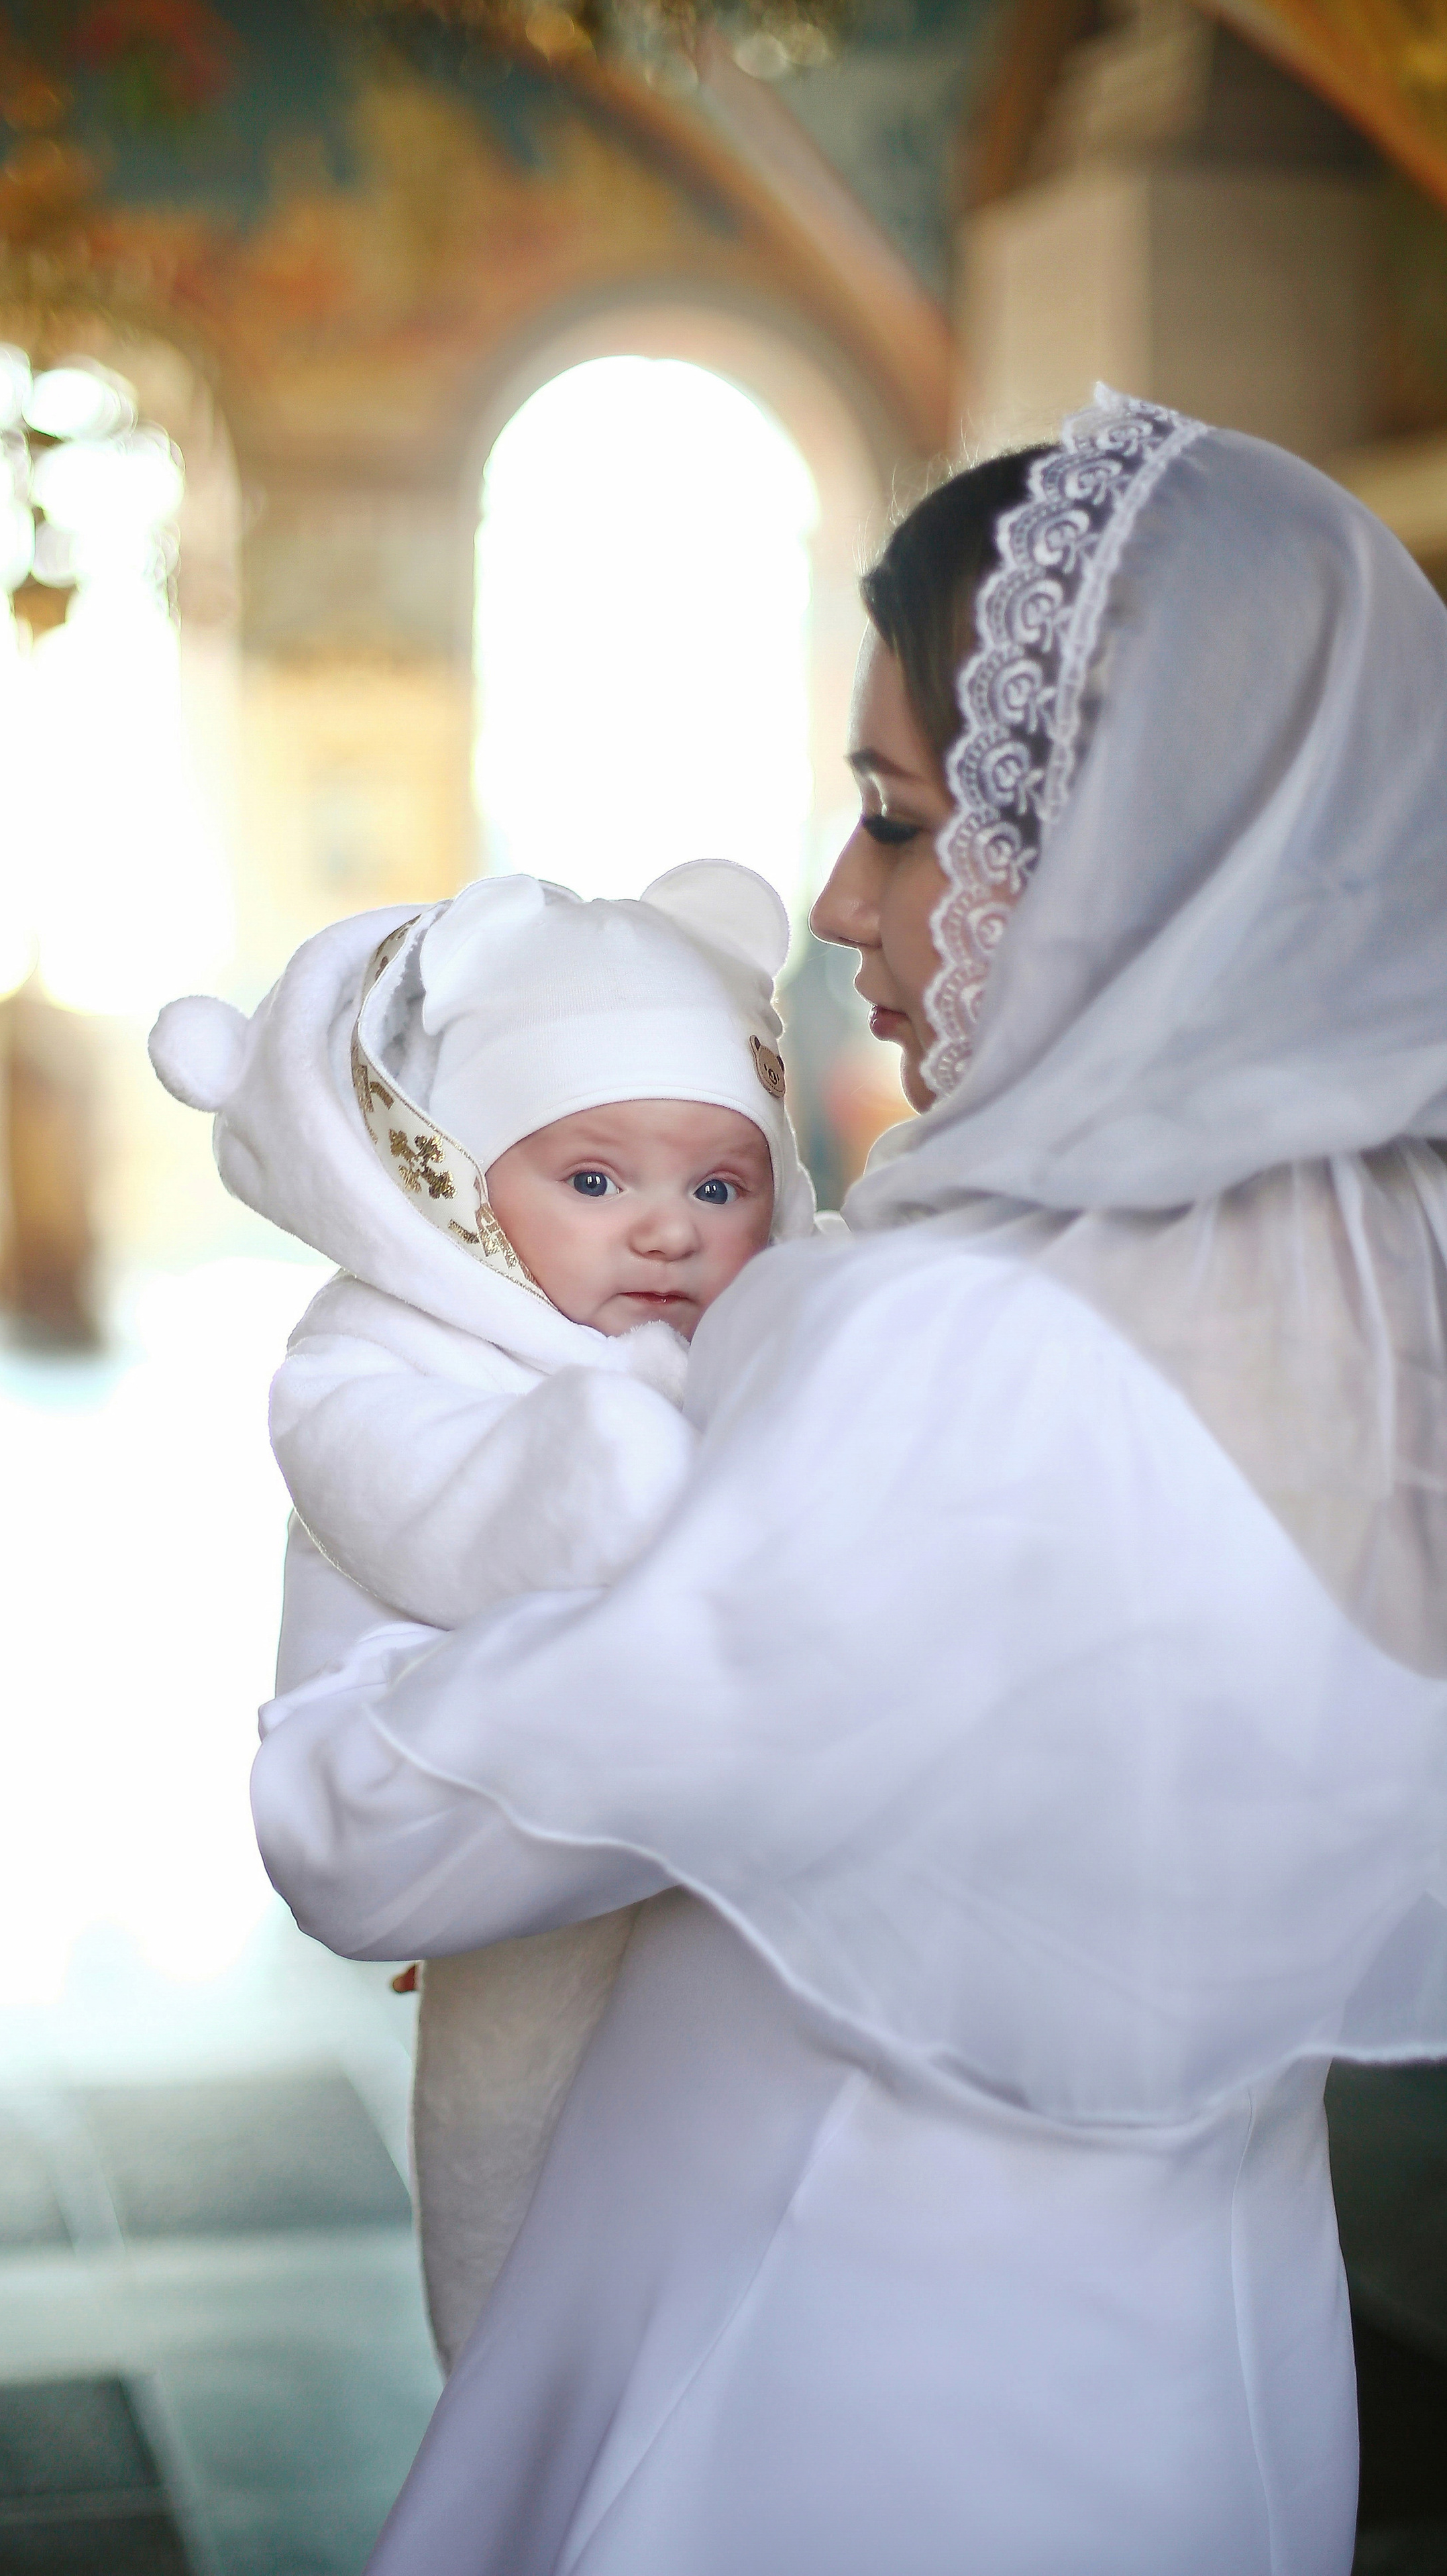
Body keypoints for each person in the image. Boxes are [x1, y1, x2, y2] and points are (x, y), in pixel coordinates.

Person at [249, 390, 1447, 2575]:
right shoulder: (1403, 1308)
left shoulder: (946, 1345)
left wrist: (359, 1665)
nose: (836, 902)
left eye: (903, 819)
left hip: (825, 2370)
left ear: (1123, 847)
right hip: (1208, 2354)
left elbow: (383, 1844)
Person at [148, 861, 814, 2368]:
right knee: (534, 2248)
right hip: (497, 1893)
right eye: (592, 1180)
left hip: (731, 1906)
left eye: (719, 1186)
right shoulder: (370, 1361)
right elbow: (478, 1518)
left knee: (734, 2261)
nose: (664, 1230)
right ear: (445, 1179)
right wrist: (654, 1455)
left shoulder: (764, 1318)